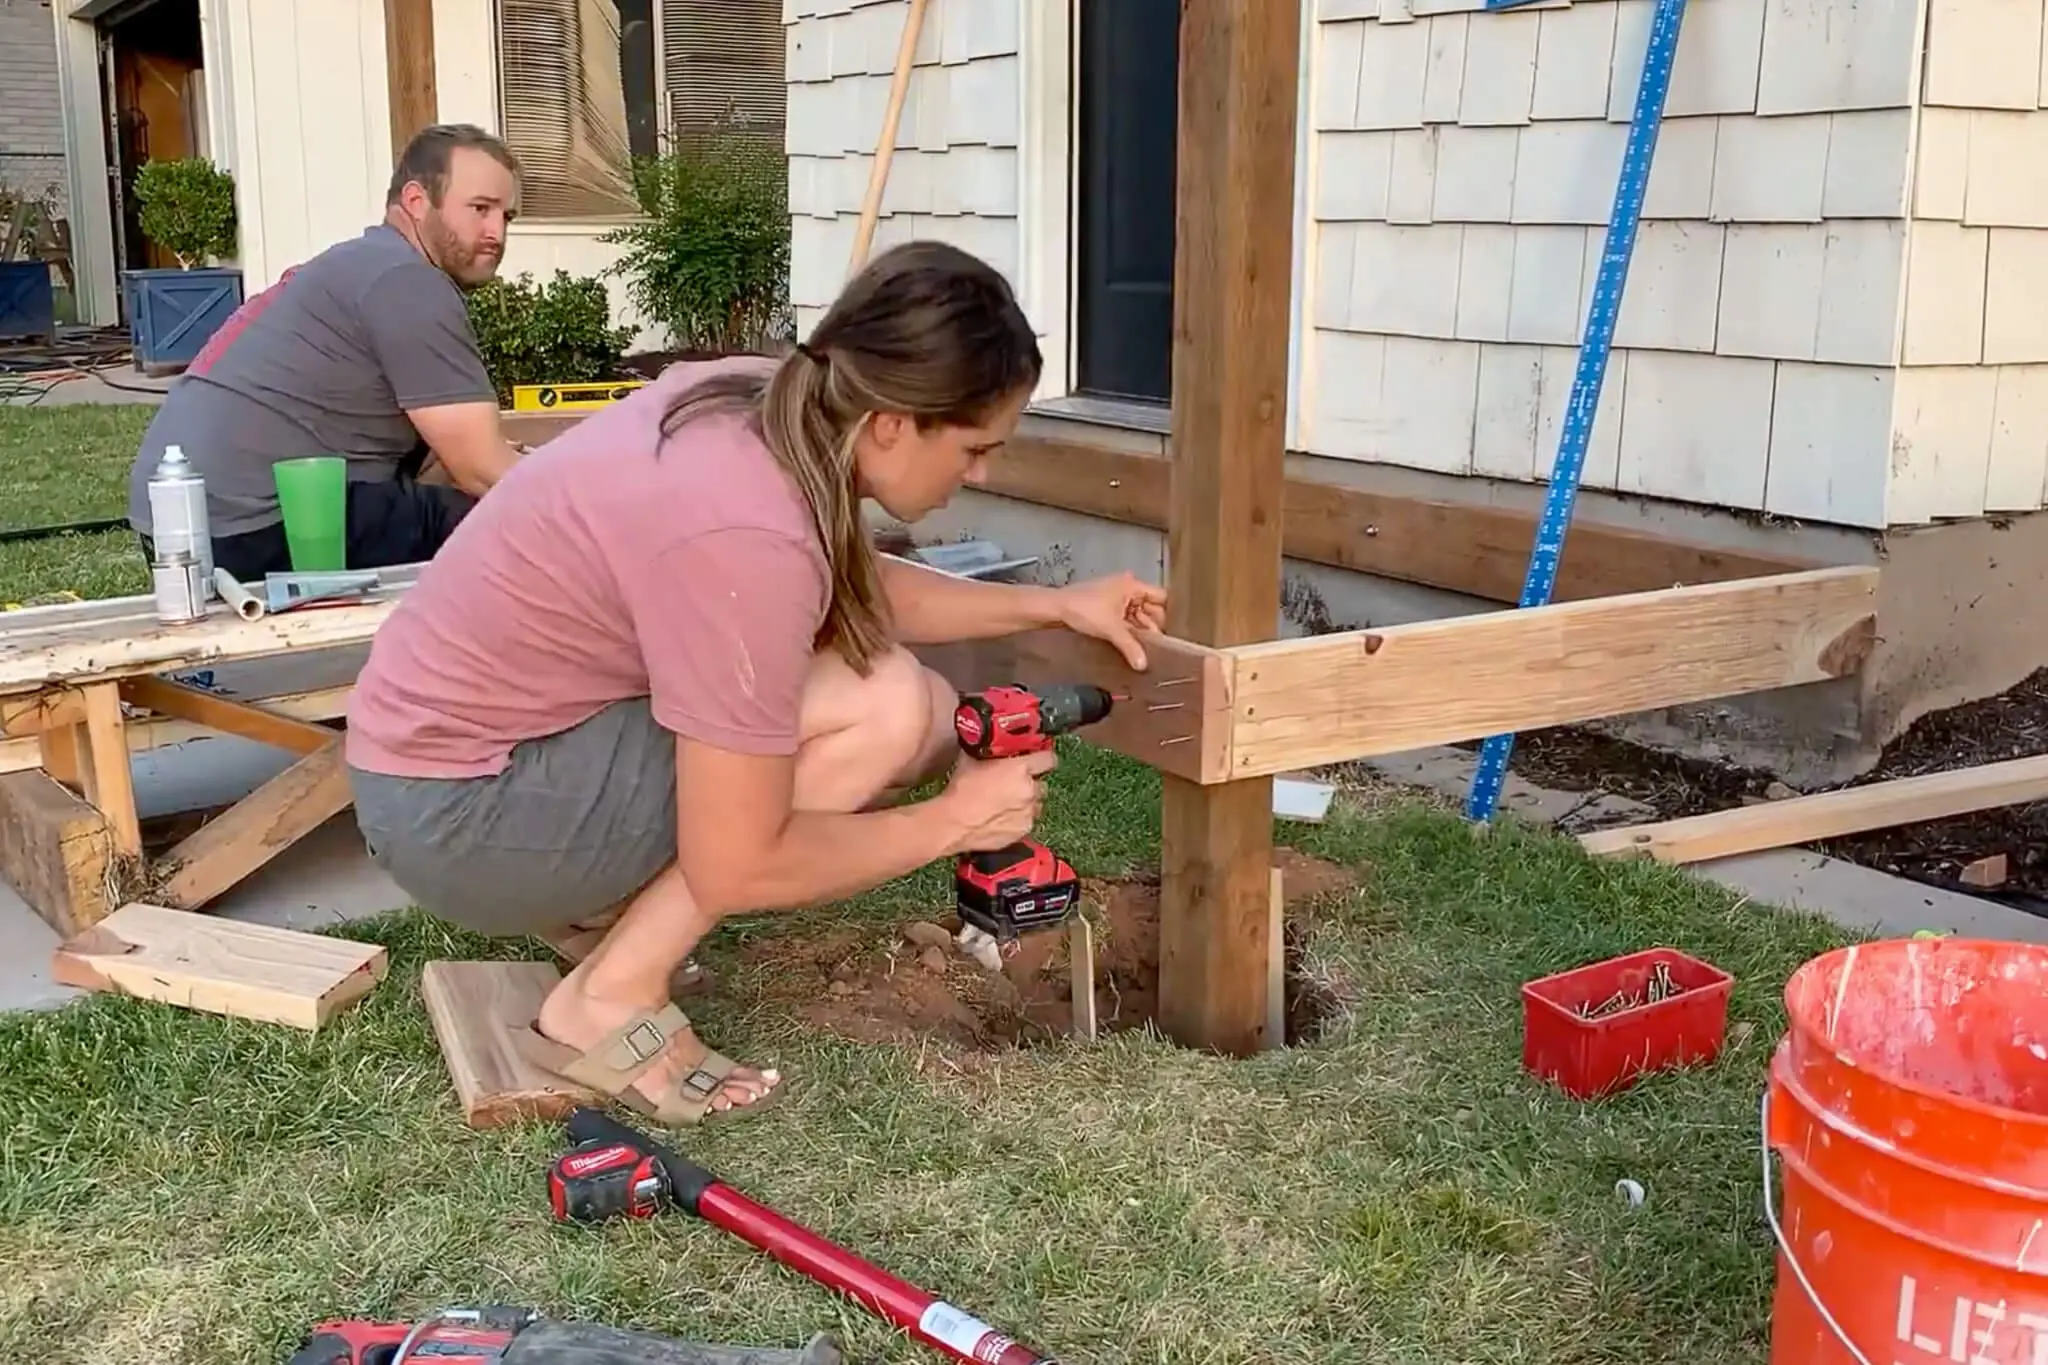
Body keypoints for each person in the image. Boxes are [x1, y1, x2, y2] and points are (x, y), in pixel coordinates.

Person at [343, 240, 1168, 1126]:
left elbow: (849, 583)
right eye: (974, 447)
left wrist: (1055, 606)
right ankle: (608, 995)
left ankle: (605, 921)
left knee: (913, 707)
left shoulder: (764, 397)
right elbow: (735, 862)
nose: (982, 474)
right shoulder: (742, 527)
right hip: (464, 811)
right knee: (885, 710)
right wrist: (954, 821)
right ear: (893, 421)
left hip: (459, 757)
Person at [126, 123, 530, 582]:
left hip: (181, 520)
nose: (496, 231)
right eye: (480, 209)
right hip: (247, 527)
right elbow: (482, 470)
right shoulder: (407, 282)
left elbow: (443, 460)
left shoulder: (364, 262)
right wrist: (600, 495)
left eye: (507, 216)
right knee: (504, 521)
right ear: (417, 202)